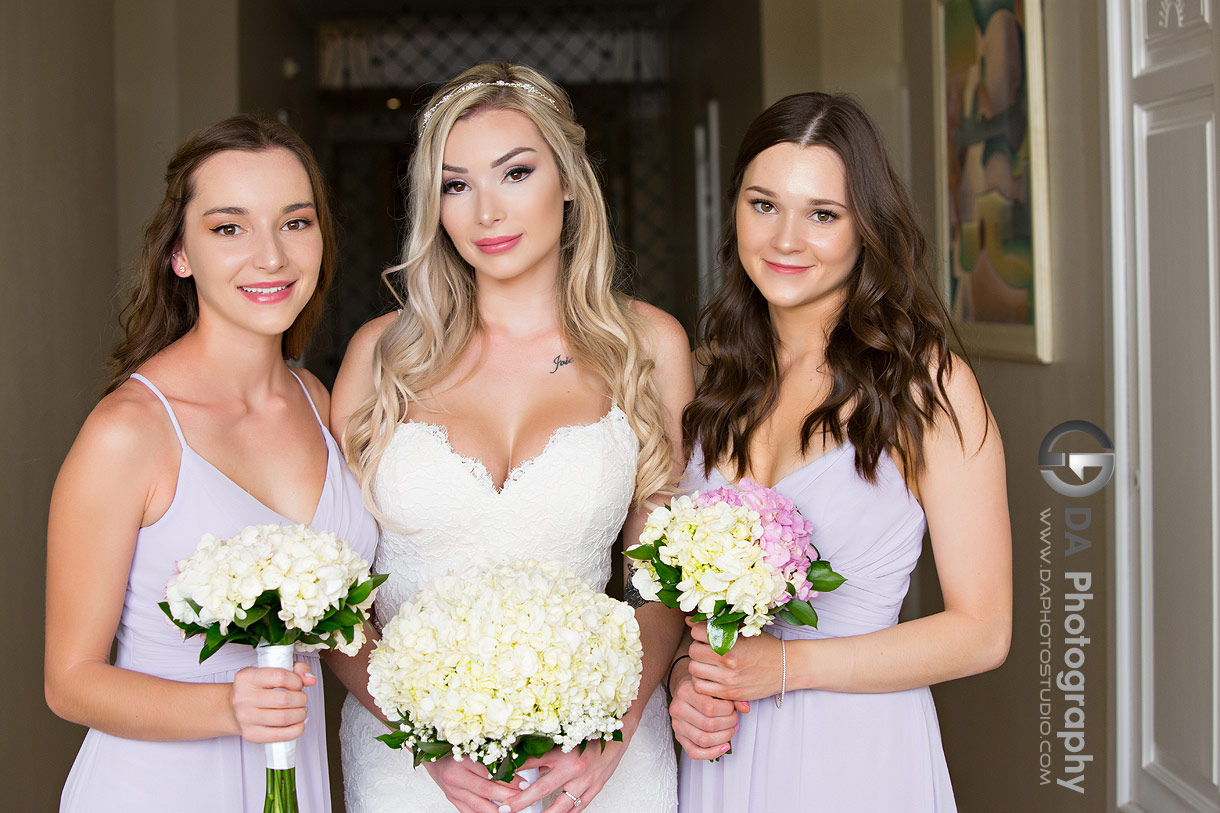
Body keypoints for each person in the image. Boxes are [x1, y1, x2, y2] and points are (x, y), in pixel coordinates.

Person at [334, 63, 692, 813]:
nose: (486, 211)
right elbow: (335, 593)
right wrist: (417, 736)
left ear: (567, 179)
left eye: (516, 172)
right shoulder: (381, 356)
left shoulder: (648, 344)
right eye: (456, 184)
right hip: (413, 766)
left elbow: (665, 581)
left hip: (597, 762)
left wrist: (617, 731)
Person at [667, 93, 1012, 811]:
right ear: (734, 211)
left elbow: (983, 632)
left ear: (867, 230)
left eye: (822, 214)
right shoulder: (705, 381)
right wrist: (682, 681)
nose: (785, 239)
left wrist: (787, 665)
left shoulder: (926, 384)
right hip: (727, 746)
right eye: (764, 205)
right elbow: (677, 608)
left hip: (856, 748)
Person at [45, 115, 379, 812]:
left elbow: (345, 629)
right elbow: (69, 680)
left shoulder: (316, 400)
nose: (272, 257)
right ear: (180, 254)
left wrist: (459, 726)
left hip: (295, 782)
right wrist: (228, 706)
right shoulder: (129, 432)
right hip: (157, 789)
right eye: (230, 228)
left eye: (295, 223)